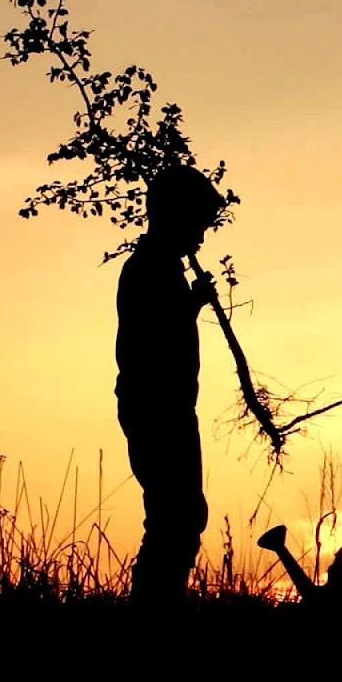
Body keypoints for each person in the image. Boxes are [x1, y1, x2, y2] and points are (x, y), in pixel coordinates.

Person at [115, 164, 225, 607]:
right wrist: (188, 306)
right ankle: (153, 607)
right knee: (175, 517)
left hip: (169, 409)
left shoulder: (160, 270)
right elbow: (153, 338)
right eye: (197, 224)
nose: (200, 238)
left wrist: (190, 304)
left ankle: (159, 603)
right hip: (157, 411)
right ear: (174, 217)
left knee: (179, 516)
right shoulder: (147, 270)